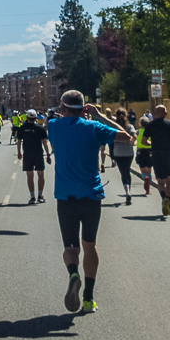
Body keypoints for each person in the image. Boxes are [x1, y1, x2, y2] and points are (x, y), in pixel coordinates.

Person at [47, 90, 136, 313]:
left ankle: (73, 273)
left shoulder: (53, 127)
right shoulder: (93, 128)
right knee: (90, 245)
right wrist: (98, 115)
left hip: (65, 197)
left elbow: (59, 119)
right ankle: (88, 298)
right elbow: (127, 137)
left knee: (70, 248)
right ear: (83, 108)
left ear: (63, 107)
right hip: (91, 196)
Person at [144, 104, 170, 217]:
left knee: (160, 182)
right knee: (169, 181)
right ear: (166, 114)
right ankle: (169, 204)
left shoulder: (150, 125)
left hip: (157, 155)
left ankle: (164, 199)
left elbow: (143, 141)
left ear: (155, 114)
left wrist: (151, 144)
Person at [17, 109, 52, 204]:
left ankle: (32, 197)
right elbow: (45, 142)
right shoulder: (40, 128)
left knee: (29, 175)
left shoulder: (22, 128)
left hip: (27, 154)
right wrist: (48, 154)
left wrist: (19, 152)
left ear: (27, 117)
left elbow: (19, 141)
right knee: (41, 174)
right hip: (38, 154)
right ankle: (40, 196)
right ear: (36, 118)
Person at [109, 108, 136, 206]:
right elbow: (134, 137)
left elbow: (110, 139)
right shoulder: (129, 126)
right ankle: (129, 191)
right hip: (129, 152)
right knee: (127, 171)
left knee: (123, 172)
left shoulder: (114, 127)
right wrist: (130, 141)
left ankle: (127, 191)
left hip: (118, 152)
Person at [135, 115, 153, 196]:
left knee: (143, 170)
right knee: (149, 170)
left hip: (140, 151)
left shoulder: (137, 132)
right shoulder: (150, 131)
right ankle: (148, 188)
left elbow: (133, 140)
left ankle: (144, 178)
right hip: (149, 151)